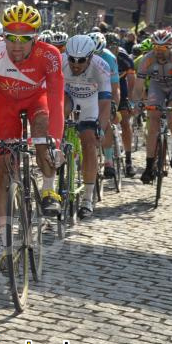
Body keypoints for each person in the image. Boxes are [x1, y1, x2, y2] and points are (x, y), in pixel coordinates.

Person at [0, 1, 64, 271]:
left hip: (38, 101)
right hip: (6, 105)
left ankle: (48, 190)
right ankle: (6, 247)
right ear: (4, 37)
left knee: (43, 134)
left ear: (36, 38)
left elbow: (57, 102)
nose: (17, 45)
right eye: (11, 37)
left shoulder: (50, 56)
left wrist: (55, 144)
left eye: (25, 39)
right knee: (3, 174)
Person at [131, 29, 172, 184]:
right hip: (157, 86)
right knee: (153, 123)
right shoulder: (147, 59)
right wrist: (136, 103)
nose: (159, 51)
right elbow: (138, 86)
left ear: (170, 47)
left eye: (163, 48)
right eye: (156, 48)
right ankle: (149, 166)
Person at [62, 35, 112, 218]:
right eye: (72, 59)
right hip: (68, 97)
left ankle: (87, 199)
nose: (75, 64)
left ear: (90, 57)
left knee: (89, 142)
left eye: (81, 60)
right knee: (59, 110)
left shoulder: (101, 67)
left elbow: (105, 102)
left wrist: (101, 127)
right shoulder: (61, 62)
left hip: (91, 102)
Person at [87, 32, 121, 180]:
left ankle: (108, 161)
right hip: (86, 87)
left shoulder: (109, 58)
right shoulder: (79, 53)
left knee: (105, 122)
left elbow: (115, 87)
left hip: (103, 88)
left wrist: (114, 105)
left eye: (97, 54)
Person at [107, 33, 137, 177]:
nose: (111, 50)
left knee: (125, 122)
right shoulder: (100, 56)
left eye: (113, 47)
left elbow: (132, 80)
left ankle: (129, 161)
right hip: (104, 90)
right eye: (108, 47)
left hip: (121, 90)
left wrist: (130, 100)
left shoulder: (124, 58)